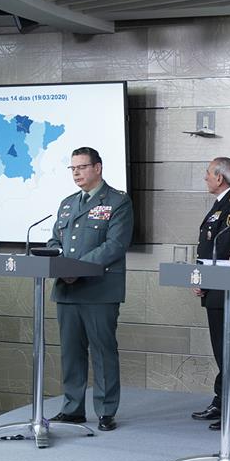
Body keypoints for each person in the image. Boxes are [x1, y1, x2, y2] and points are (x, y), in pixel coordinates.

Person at [47, 146, 133, 432]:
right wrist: (58, 260)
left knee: (102, 351)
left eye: (81, 167)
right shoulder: (67, 203)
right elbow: (54, 242)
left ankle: (106, 411)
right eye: (72, 168)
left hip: (99, 289)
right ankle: (72, 409)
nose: (76, 173)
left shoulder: (118, 201)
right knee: (71, 353)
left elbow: (115, 245)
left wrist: (76, 269)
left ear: (98, 168)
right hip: (68, 291)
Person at [191, 157, 230, 430]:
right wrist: (199, 276)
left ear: (220, 177)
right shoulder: (222, 204)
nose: (205, 177)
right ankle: (222, 400)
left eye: (208, 173)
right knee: (221, 348)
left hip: (228, 288)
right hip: (215, 287)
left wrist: (205, 276)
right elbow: (208, 247)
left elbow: (226, 245)